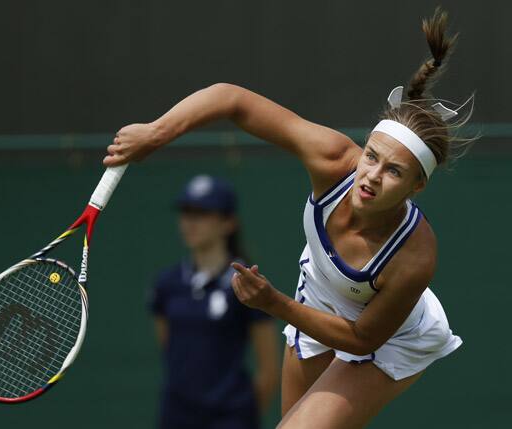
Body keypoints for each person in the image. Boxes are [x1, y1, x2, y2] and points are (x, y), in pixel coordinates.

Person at [106, 8, 474, 428]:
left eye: (394, 171)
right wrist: (158, 131)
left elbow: (361, 338)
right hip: (317, 300)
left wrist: (272, 303)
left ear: (416, 186)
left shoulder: (415, 255)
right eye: (371, 156)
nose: (371, 175)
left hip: (392, 340)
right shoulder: (334, 159)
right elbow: (232, 98)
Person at [148, 174, 280, 429]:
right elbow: (168, 347)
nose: (190, 223)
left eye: (202, 214)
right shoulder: (167, 284)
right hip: (176, 416)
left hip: (231, 417)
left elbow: (268, 371)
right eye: (186, 213)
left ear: (228, 222)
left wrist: (242, 415)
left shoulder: (247, 283)